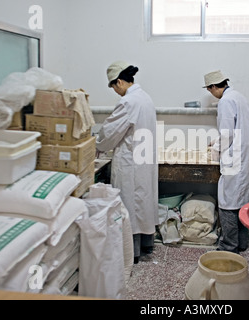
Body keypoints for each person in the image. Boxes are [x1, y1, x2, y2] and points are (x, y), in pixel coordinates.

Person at [96, 60, 159, 264]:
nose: (115, 91)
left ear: (120, 82)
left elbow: (110, 132)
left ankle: (132, 252)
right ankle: (146, 244)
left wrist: (97, 145)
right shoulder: (145, 97)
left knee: (130, 204)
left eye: (113, 87)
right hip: (142, 158)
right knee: (143, 201)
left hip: (130, 161)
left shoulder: (127, 102)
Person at [203, 70, 249, 253]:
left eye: (210, 90)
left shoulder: (226, 101)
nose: (211, 93)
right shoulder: (239, 97)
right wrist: (217, 140)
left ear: (214, 87)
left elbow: (227, 133)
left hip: (235, 157)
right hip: (245, 153)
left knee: (228, 202)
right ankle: (242, 242)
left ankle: (229, 246)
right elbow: (236, 128)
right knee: (242, 201)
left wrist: (214, 149)